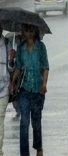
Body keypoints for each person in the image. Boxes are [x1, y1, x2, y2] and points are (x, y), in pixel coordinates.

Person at [10, 24, 49, 156]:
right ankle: (24, 153)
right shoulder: (21, 48)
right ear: (23, 32)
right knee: (24, 122)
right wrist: (13, 83)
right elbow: (19, 68)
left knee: (36, 122)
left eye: (31, 30)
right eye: (26, 30)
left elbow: (45, 67)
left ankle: (39, 148)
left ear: (35, 32)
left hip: (38, 90)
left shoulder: (41, 47)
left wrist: (44, 84)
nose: (29, 33)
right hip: (25, 90)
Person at [0, 26, 15, 156]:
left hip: (3, 90)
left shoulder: (7, 43)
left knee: (0, 119)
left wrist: (11, 60)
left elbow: (11, 68)